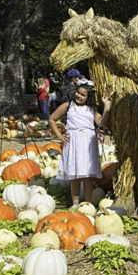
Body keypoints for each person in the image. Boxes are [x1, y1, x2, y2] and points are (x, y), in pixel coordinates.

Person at [48, 79, 111, 207]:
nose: (79, 96)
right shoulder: (68, 105)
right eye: (78, 93)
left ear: (88, 97)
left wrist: (107, 108)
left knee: (87, 176)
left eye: (83, 95)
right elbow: (52, 119)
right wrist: (59, 135)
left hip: (88, 143)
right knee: (75, 175)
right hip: (73, 142)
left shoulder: (91, 109)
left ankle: (88, 204)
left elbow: (102, 123)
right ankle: (75, 203)